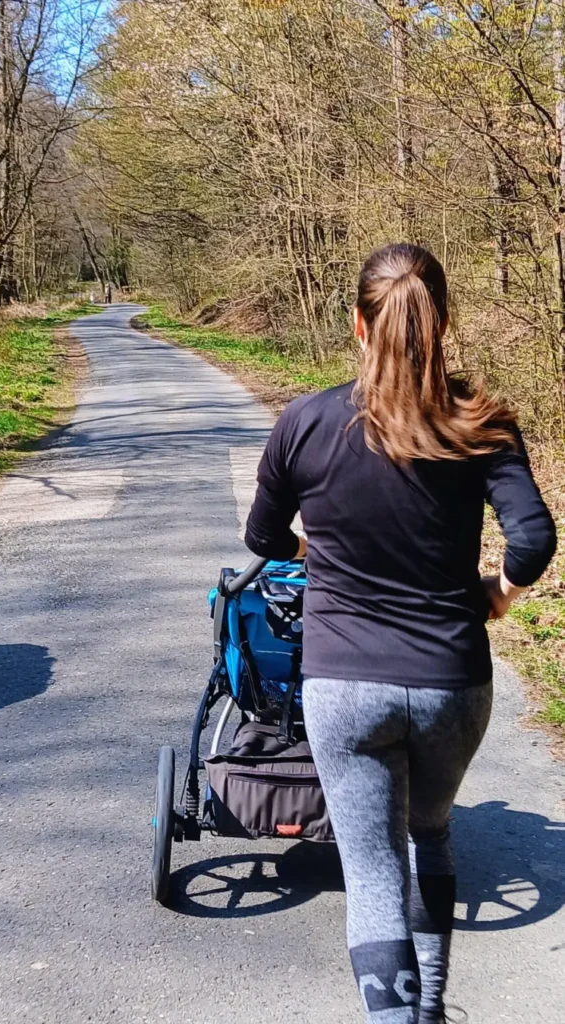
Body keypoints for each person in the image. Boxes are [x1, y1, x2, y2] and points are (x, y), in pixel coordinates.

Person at [244, 243, 556, 1024]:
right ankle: (429, 1005)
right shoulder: (480, 422)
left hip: (343, 685)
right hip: (451, 682)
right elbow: (532, 538)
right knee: (430, 833)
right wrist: (498, 596)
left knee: (373, 874)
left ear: (357, 324)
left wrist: (312, 554)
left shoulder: (305, 422)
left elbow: (262, 538)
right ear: (442, 323)